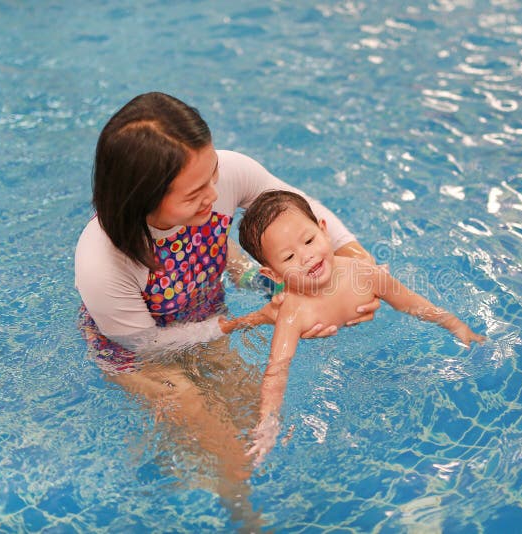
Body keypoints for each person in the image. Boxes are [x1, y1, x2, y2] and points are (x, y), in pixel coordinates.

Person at [73, 92, 378, 528]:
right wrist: (240, 323)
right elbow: (145, 344)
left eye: (214, 173)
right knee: (214, 437)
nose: (215, 195)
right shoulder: (103, 261)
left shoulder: (220, 175)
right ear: (141, 198)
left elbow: (293, 204)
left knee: (257, 421)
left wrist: (355, 258)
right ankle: (243, 515)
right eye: (196, 193)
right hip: (136, 353)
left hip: (204, 311)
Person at [237, 190, 486, 463]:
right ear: (273, 273)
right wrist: (268, 422)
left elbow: (410, 302)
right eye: (288, 258)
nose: (307, 257)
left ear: (324, 230)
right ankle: (235, 315)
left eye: (309, 240)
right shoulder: (293, 311)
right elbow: (277, 368)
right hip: (281, 306)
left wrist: (454, 325)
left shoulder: (363, 274)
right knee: (255, 319)